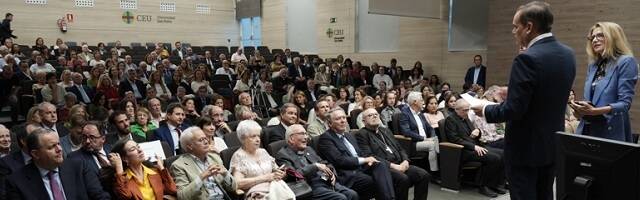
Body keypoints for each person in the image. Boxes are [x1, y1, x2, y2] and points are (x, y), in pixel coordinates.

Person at [470, 2, 576, 199]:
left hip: (525, 149)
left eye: (515, 26)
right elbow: (547, 93)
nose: (513, 32)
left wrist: (485, 109)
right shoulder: (568, 54)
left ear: (529, 27)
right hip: (551, 145)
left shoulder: (527, 58)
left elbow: (514, 110)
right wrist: (515, 90)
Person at [569, 22, 638, 142]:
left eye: (600, 35)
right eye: (592, 37)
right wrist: (580, 111)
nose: (594, 40)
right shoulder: (594, 65)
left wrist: (595, 112)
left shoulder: (626, 62)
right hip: (587, 129)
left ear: (613, 37)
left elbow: (625, 104)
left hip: (610, 131)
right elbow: (590, 101)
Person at [6, 128, 111, 200]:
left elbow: (99, 196)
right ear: (35, 154)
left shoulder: (78, 167)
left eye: (59, 144)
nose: (59, 149)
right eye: (52, 147)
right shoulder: (17, 182)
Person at [317, 108, 395, 200]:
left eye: (344, 118)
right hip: (347, 174)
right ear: (330, 123)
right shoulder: (326, 138)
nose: (342, 121)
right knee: (373, 181)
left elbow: (360, 153)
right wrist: (364, 160)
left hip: (361, 168)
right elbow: (339, 160)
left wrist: (368, 160)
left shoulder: (349, 135)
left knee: (380, 165)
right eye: (338, 119)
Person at [356, 108, 431, 200]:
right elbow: (369, 156)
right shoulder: (361, 134)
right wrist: (394, 166)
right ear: (364, 121)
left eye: (376, 114)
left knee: (423, 175)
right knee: (403, 179)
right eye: (370, 115)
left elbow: (400, 148)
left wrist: (405, 160)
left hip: (400, 163)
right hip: (384, 168)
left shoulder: (386, 131)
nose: (374, 116)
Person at [276, 124, 358, 200]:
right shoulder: (283, 155)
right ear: (291, 139)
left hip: (326, 181)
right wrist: (315, 166)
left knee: (353, 194)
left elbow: (325, 163)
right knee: (341, 198)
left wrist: (332, 173)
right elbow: (294, 175)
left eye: (306, 134)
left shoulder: (308, 149)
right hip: (310, 186)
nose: (306, 137)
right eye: (302, 134)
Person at [447, 99, 506, 197]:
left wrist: (477, 131)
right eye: (465, 110)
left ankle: (496, 184)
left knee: (503, 154)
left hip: (475, 146)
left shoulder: (465, 118)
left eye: (468, 110)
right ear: (457, 110)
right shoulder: (451, 120)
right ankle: (484, 186)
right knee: (494, 158)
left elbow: (475, 132)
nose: (467, 112)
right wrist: (474, 146)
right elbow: (455, 139)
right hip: (464, 150)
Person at [229, 120, 291, 199]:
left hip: (275, 189)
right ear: (243, 138)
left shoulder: (263, 151)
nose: (258, 139)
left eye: (258, 136)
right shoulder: (238, 156)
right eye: (253, 136)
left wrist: (281, 174)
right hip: (256, 194)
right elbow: (238, 183)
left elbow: (276, 170)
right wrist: (265, 178)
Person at [170, 126, 237, 199]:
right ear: (190, 146)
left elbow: (233, 187)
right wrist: (202, 177)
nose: (206, 142)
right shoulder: (179, 165)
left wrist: (225, 174)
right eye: (201, 140)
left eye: (205, 138)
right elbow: (182, 196)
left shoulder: (214, 157)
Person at [108, 138, 177, 200]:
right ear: (124, 158)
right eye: (133, 149)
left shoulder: (154, 171)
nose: (140, 150)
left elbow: (172, 190)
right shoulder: (122, 179)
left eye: (138, 146)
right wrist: (119, 169)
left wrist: (162, 168)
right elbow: (125, 196)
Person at [398, 92, 439, 172]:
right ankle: (434, 171)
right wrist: (423, 138)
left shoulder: (420, 114)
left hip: (425, 140)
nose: (423, 102)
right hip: (413, 143)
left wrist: (432, 137)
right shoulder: (404, 114)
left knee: (437, 140)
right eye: (421, 100)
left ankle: (441, 167)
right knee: (432, 145)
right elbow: (406, 132)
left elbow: (430, 128)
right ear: (415, 102)